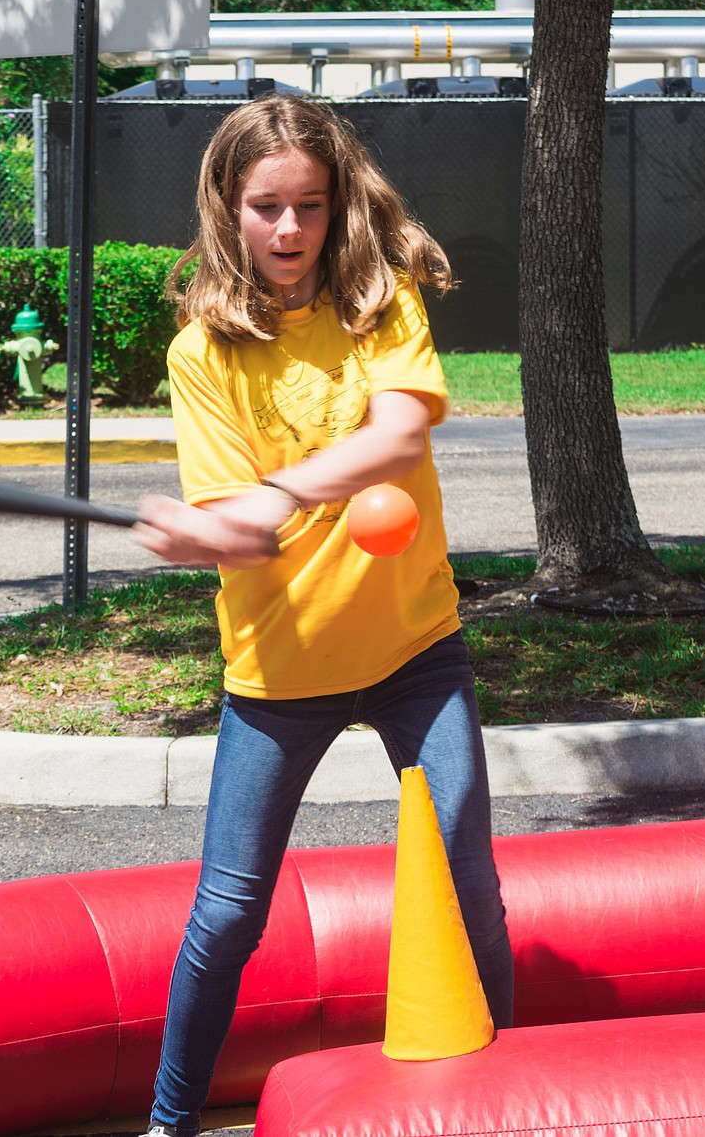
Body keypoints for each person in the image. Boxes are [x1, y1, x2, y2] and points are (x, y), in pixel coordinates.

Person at [133, 93, 513, 1137]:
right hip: (280, 664)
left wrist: (282, 494)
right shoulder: (203, 354)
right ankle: (168, 1122)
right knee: (228, 913)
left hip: (413, 648)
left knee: (466, 884)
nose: (289, 230)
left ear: (338, 203)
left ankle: (513, 1097)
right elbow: (233, 525)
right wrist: (205, 533)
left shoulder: (378, 304)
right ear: (227, 209)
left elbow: (396, 439)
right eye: (265, 207)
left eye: (308, 203)